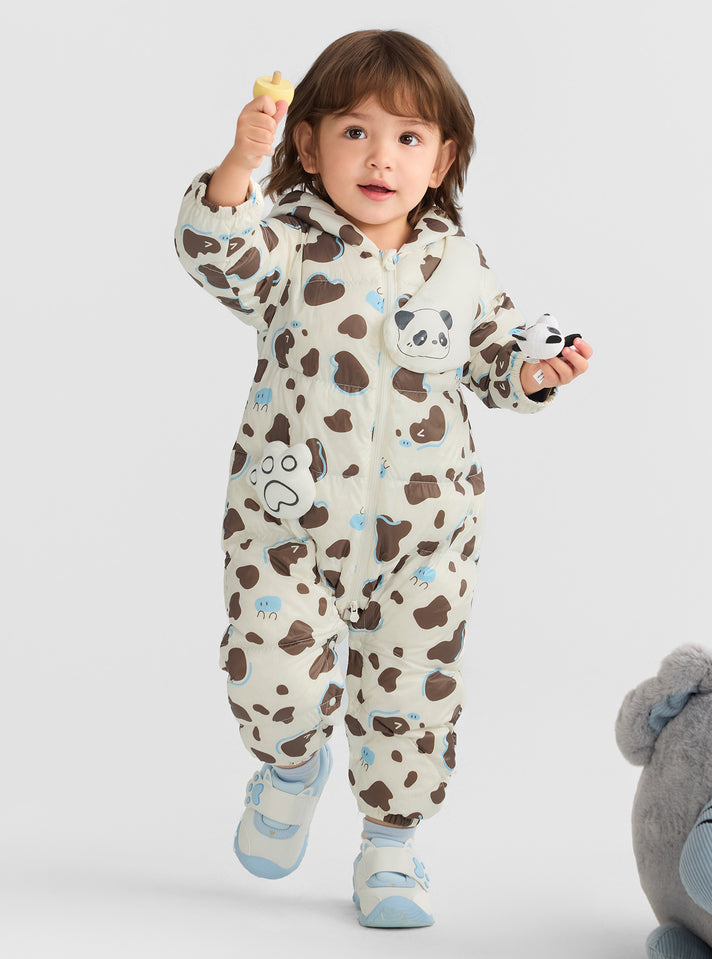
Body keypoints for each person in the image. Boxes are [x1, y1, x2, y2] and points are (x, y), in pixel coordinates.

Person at [174, 29, 592, 928]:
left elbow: (493, 357)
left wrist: (532, 373)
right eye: (355, 131)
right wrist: (239, 162)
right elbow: (217, 249)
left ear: (441, 161)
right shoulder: (288, 248)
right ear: (308, 145)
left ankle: (391, 850)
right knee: (272, 672)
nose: (380, 157)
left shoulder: (460, 265)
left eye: (408, 137)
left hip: (428, 535)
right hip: (288, 521)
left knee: (413, 694)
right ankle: (291, 766)